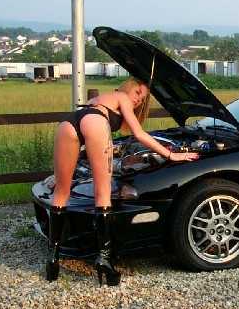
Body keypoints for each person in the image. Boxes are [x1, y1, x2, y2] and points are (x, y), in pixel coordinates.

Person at [45, 77, 198, 286]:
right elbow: (139, 134)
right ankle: (104, 260)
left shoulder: (102, 98)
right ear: (129, 87)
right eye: (138, 92)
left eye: (143, 99)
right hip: (95, 122)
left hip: (68, 123)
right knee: (103, 192)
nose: (138, 100)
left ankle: (53, 260)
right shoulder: (122, 97)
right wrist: (171, 155)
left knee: (61, 192)